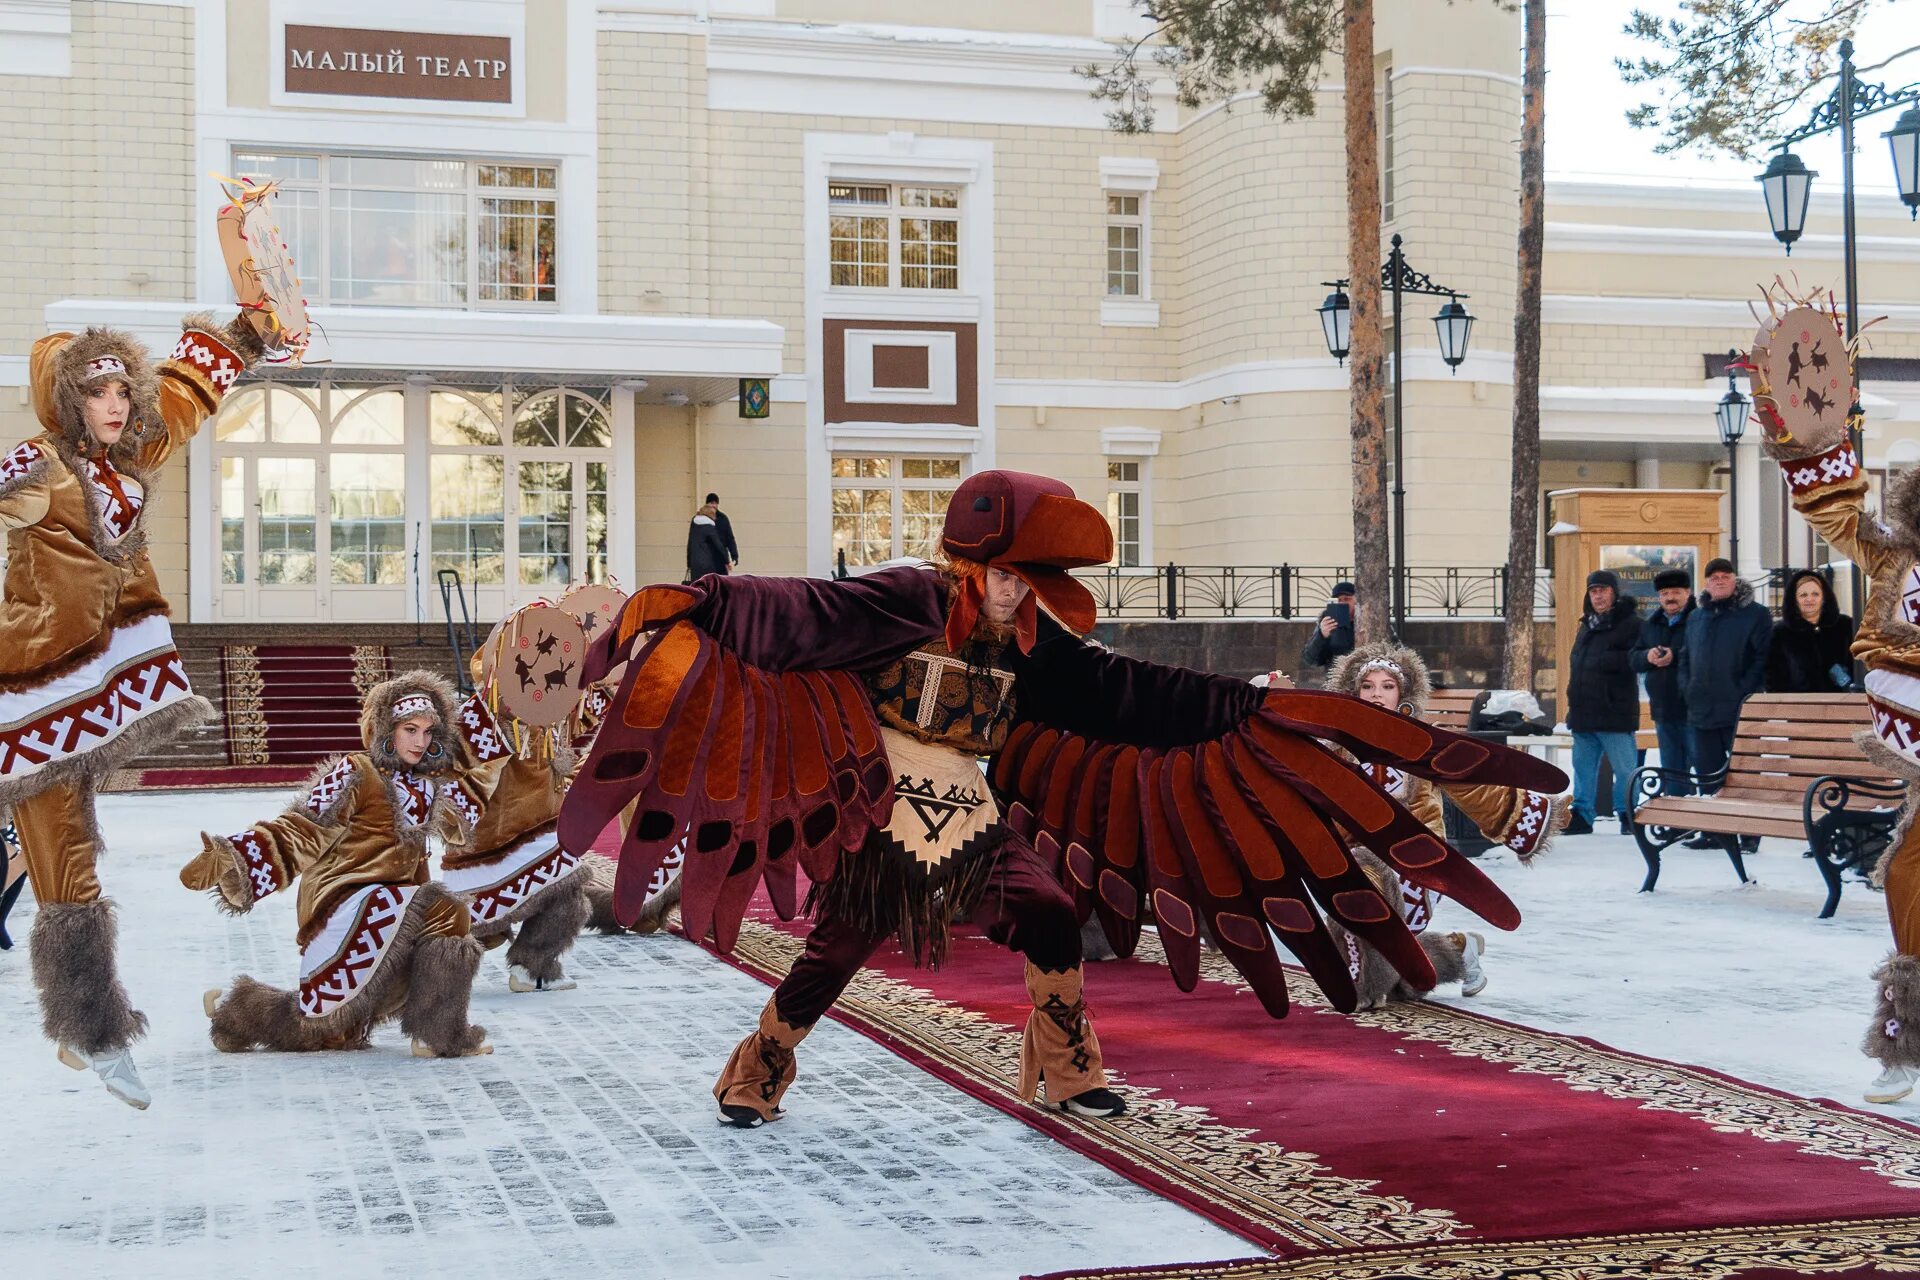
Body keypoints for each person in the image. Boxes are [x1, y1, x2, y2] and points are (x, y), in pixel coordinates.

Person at [560, 470, 1560, 1132]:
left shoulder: (1043, 647)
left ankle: (1069, 1064)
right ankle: (763, 1059)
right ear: (968, 563)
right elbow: (801, 609)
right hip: (880, 819)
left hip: (971, 824)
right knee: (836, 950)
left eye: (1027, 580)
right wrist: (706, 597)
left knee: (1043, 908)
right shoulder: (903, 599)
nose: (1010, 593)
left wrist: (1283, 716)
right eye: (1001, 574)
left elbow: (1142, 694)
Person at [0, 309, 265, 1108]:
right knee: (62, 852)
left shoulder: (128, 458)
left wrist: (247, 331)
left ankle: (87, 1031)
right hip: (37, 688)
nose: (115, 404)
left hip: (97, 689)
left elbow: (183, 398)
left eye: (122, 388)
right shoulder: (37, 467)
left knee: (69, 844)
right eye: (97, 391)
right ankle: (88, 1028)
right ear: (63, 399)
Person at [1757, 294, 1920, 1104]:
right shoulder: (1895, 557)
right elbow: (1838, 510)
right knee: (1907, 883)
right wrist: (1814, 440)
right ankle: (1907, 1045)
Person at [183, 673, 499, 1059]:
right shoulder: (354, 771)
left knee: (335, 1035)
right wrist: (235, 858)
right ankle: (439, 1033)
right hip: (344, 901)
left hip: (397, 906)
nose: (420, 741)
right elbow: (303, 827)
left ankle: (240, 1014)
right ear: (386, 729)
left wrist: (504, 709)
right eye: (409, 729)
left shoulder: (428, 784)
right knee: (445, 908)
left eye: (429, 731)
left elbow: (464, 812)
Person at [1321, 643, 1567, 1008]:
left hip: (1417, 861)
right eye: (1368, 686)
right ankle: (1457, 950)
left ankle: (1366, 988)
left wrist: (1535, 817)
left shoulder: (1421, 741)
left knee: (1381, 938)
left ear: (1401, 693)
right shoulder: (1336, 747)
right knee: (1403, 979)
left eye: (1387, 686)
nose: (1377, 694)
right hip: (1351, 857)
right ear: (1354, 693)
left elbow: (1475, 786)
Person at [437, 676, 593, 994]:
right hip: (487, 852)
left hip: (538, 841)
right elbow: (453, 783)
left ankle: (533, 967)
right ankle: (431, 980)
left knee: (570, 899)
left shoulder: (543, 721)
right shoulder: (475, 720)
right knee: (457, 933)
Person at [1678, 558, 1772, 797]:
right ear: (1707, 583)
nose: (1719, 581)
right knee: (1708, 777)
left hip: (1739, 710)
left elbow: (1762, 658)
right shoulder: (1696, 617)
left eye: (1725, 577)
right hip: (1702, 711)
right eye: (1714, 578)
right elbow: (1685, 657)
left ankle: (1749, 832)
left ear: (1734, 580)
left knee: (1746, 774)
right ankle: (1717, 833)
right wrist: (1688, 689)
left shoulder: (1755, 614)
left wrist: (1743, 691)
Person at [1564, 569, 1641, 836]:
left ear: (1614, 593)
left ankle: (1628, 814)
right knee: (1582, 769)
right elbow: (1577, 666)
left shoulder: (1630, 623)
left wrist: (1603, 660)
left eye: (1603, 590)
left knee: (1625, 769)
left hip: (1615, 712)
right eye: (1593, 591)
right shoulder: (1586, 625)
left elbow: (1634, 659)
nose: (1598, 595)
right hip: (1584, 712)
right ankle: (1582, 815)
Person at [1631, 569, 1697, 797]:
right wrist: (1647, 656)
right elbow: (1634, 657)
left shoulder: (1699, 619)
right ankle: (1678, 823)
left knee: (1702, 769)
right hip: (1664, 709)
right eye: (1665, 593)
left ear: (1688, 592)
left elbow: (1706, 654)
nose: (1670, 597)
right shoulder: (1651, 624)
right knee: (1671, 769)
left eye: (1676, 592)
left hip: (1694, 709)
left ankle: (1710, 821)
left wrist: (1674, 656)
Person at [1766, 569, 1856, 694]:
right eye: (1803, 595)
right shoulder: (1780, 633)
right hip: (1799, 707)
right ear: (1795, 600)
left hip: (1841, 704)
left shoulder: (1845, 625)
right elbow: (1773, 676)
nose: (1810, 599)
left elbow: (1859, 666)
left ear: (1823, 597)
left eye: (1815, 594)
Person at [1301, 581, 1357, 670]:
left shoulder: (1367, 621)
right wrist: (1321, 636)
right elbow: (1311, 660)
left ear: (1356, 601)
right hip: (1337, 679)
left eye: (1347, 599)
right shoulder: (1327, 621)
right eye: (1338, 600)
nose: (1342, 603)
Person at [686, 501, 731, 580]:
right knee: (708, 587)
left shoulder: (694, 525)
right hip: (707, 564)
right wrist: (726, 561)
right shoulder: (709, 526)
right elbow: (719, 546)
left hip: (695, 564)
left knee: (696, 587)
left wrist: (689, 563)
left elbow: (690, 545)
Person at [705, 491, 740, 568]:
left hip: (721, 558)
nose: (713, 505)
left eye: (715, 503)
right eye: (711, 503)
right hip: (706, 558)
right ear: (706, 504)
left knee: (720, 579)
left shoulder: (723, 519)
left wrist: (734, 557)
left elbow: (730, 538)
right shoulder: (701, 518)